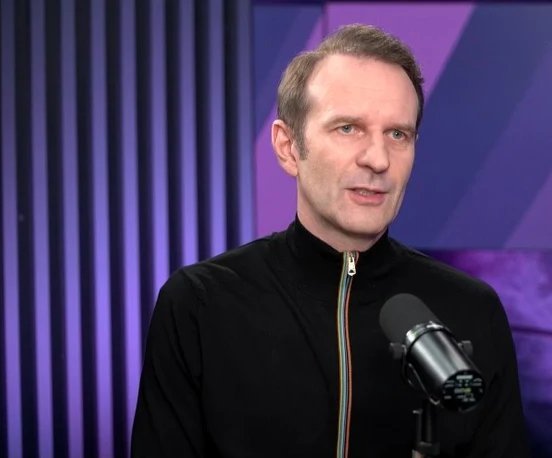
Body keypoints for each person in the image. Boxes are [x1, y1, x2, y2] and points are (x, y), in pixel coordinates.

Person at [130, 24, 531, 458]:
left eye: (397, 134)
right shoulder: (200, 304)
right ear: (288, 147)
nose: (377, 159)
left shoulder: (473, 310)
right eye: (348, 128)